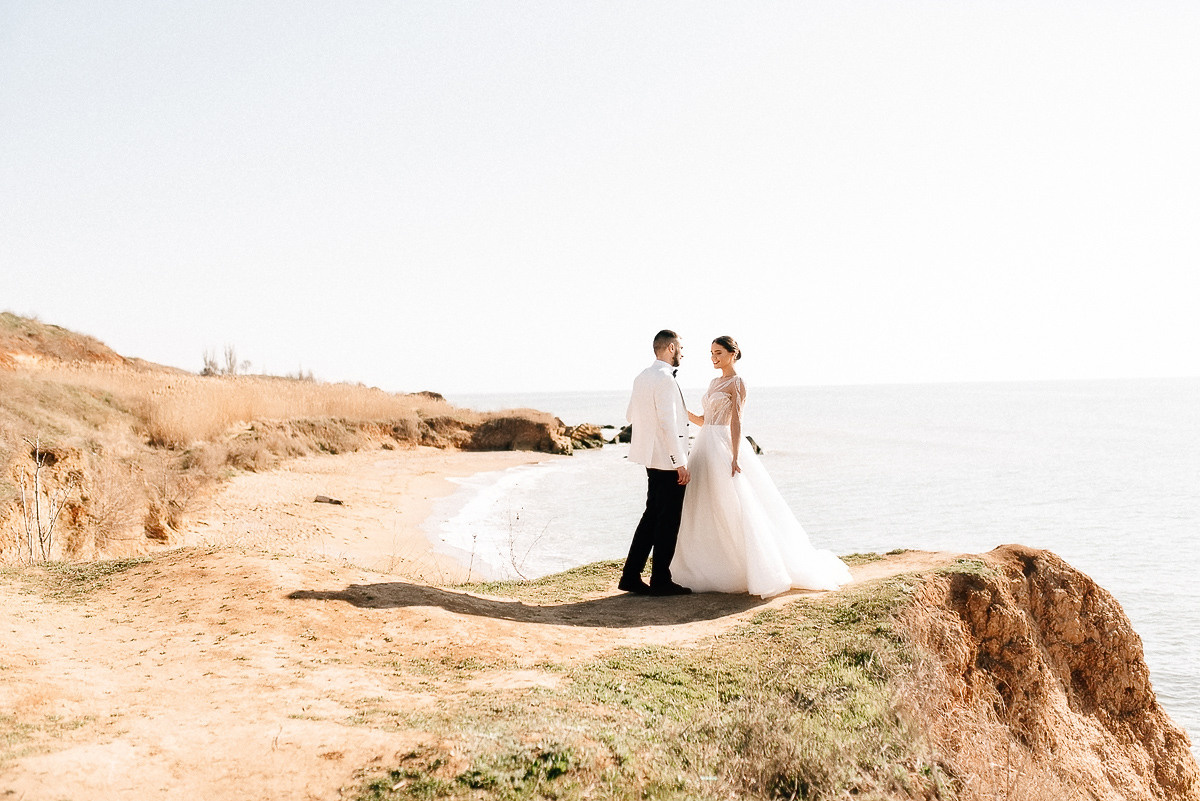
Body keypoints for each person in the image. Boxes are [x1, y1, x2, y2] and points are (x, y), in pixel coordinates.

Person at [670, 336, 851, 598]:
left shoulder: (738, 383)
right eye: (711, 353)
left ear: (733, 354)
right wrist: (683, 411)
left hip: (723, 445)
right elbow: (705, 420)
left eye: (719, 353)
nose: (713, 358)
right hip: (703, 446)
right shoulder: (713, 383)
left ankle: (746, 566)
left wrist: (734, 456)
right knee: (703, 505)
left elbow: (736, 422)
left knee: (734, 503)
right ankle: (706, 563)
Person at [620, 330, 694, 596]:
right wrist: (680, 462)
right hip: (668, 460)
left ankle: (630, 575)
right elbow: (667, 423)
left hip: (650, 458)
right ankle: (660, 579)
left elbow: (630, 414)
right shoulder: (664, 379)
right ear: (671, 348)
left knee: (651, 517)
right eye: (681, 348)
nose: (683, 353)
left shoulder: (642, 376)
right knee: (667, 521)